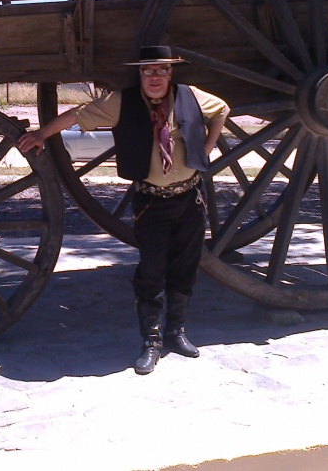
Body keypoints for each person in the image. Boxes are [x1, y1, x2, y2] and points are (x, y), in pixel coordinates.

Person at [18, 45, 228, 374]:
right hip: (151, 202)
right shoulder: (121, 102)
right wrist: (42, 134)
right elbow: (78, 115)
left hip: (188, 198)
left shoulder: (191, 96)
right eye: (148, 71)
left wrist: (208, 146)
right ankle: (151, 341)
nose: (155, 77)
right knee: (151, 271)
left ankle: (177, 332)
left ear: (170, 73)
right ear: (140, 75)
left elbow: (222, 110)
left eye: (160, 70)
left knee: (186, 265)